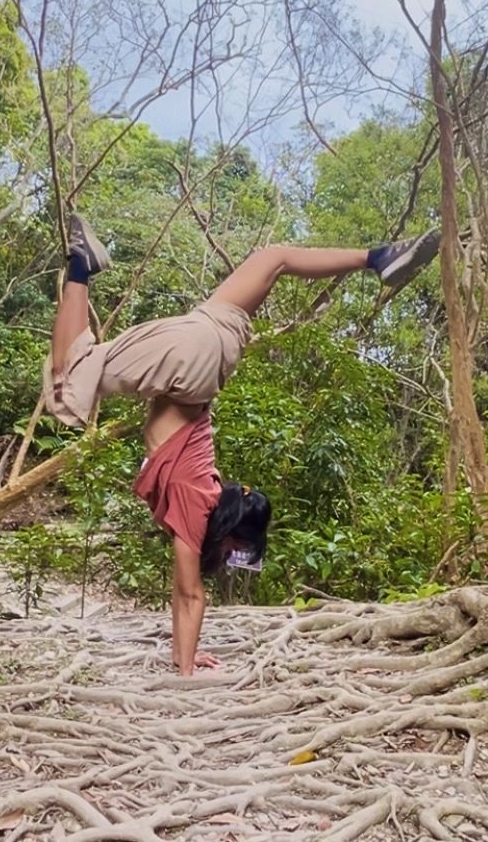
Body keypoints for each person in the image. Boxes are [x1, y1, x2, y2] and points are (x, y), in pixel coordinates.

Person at [43, 214, 440, 676]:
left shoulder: (206, 479)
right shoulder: (195, 505)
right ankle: (81, 264)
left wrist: (181, 653)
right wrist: (187, 676)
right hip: (188, 359)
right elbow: (190, 593)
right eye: (237, 548)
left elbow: (179, 592)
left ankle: (379, 257)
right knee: (68, 383)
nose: (232, 556)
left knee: (273, 258)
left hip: (218, 343)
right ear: (232, 531)